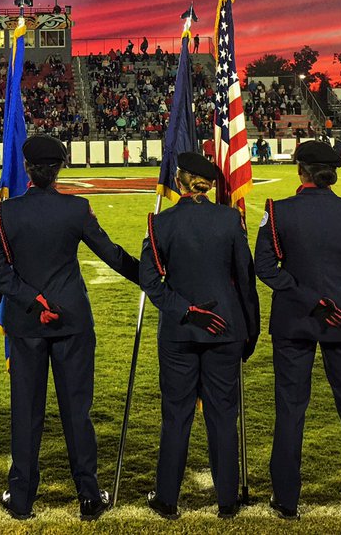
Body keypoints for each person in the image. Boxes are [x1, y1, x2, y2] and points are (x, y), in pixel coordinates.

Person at [0, 135, 141, 521]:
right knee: (76, 411)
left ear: (26, 168)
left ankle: (21, 498)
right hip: (71, 320)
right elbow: (112, 255)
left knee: (26, 411)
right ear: (61, 168)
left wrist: (30, 299)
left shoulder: (6, 213)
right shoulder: (77, 209)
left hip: (26, 322)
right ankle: (88, 495)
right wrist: (152, 276)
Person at [254, 141, 341, 519]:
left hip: (295, 321)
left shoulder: (278, 212)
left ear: (300, 170)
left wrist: (307, 298)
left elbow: (265, 268)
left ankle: (287, 499)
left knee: (291, 409)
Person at [139, 153, 259, 520]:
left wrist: (183, 310)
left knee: (176, 415)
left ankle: (167, 499)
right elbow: (246, 279)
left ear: (179, 182)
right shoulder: (230, 219)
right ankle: (226, 501)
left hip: (179, 333)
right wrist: (249, 333)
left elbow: (149, 281)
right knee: (223, 416)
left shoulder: (161, 223)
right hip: (226, 330)